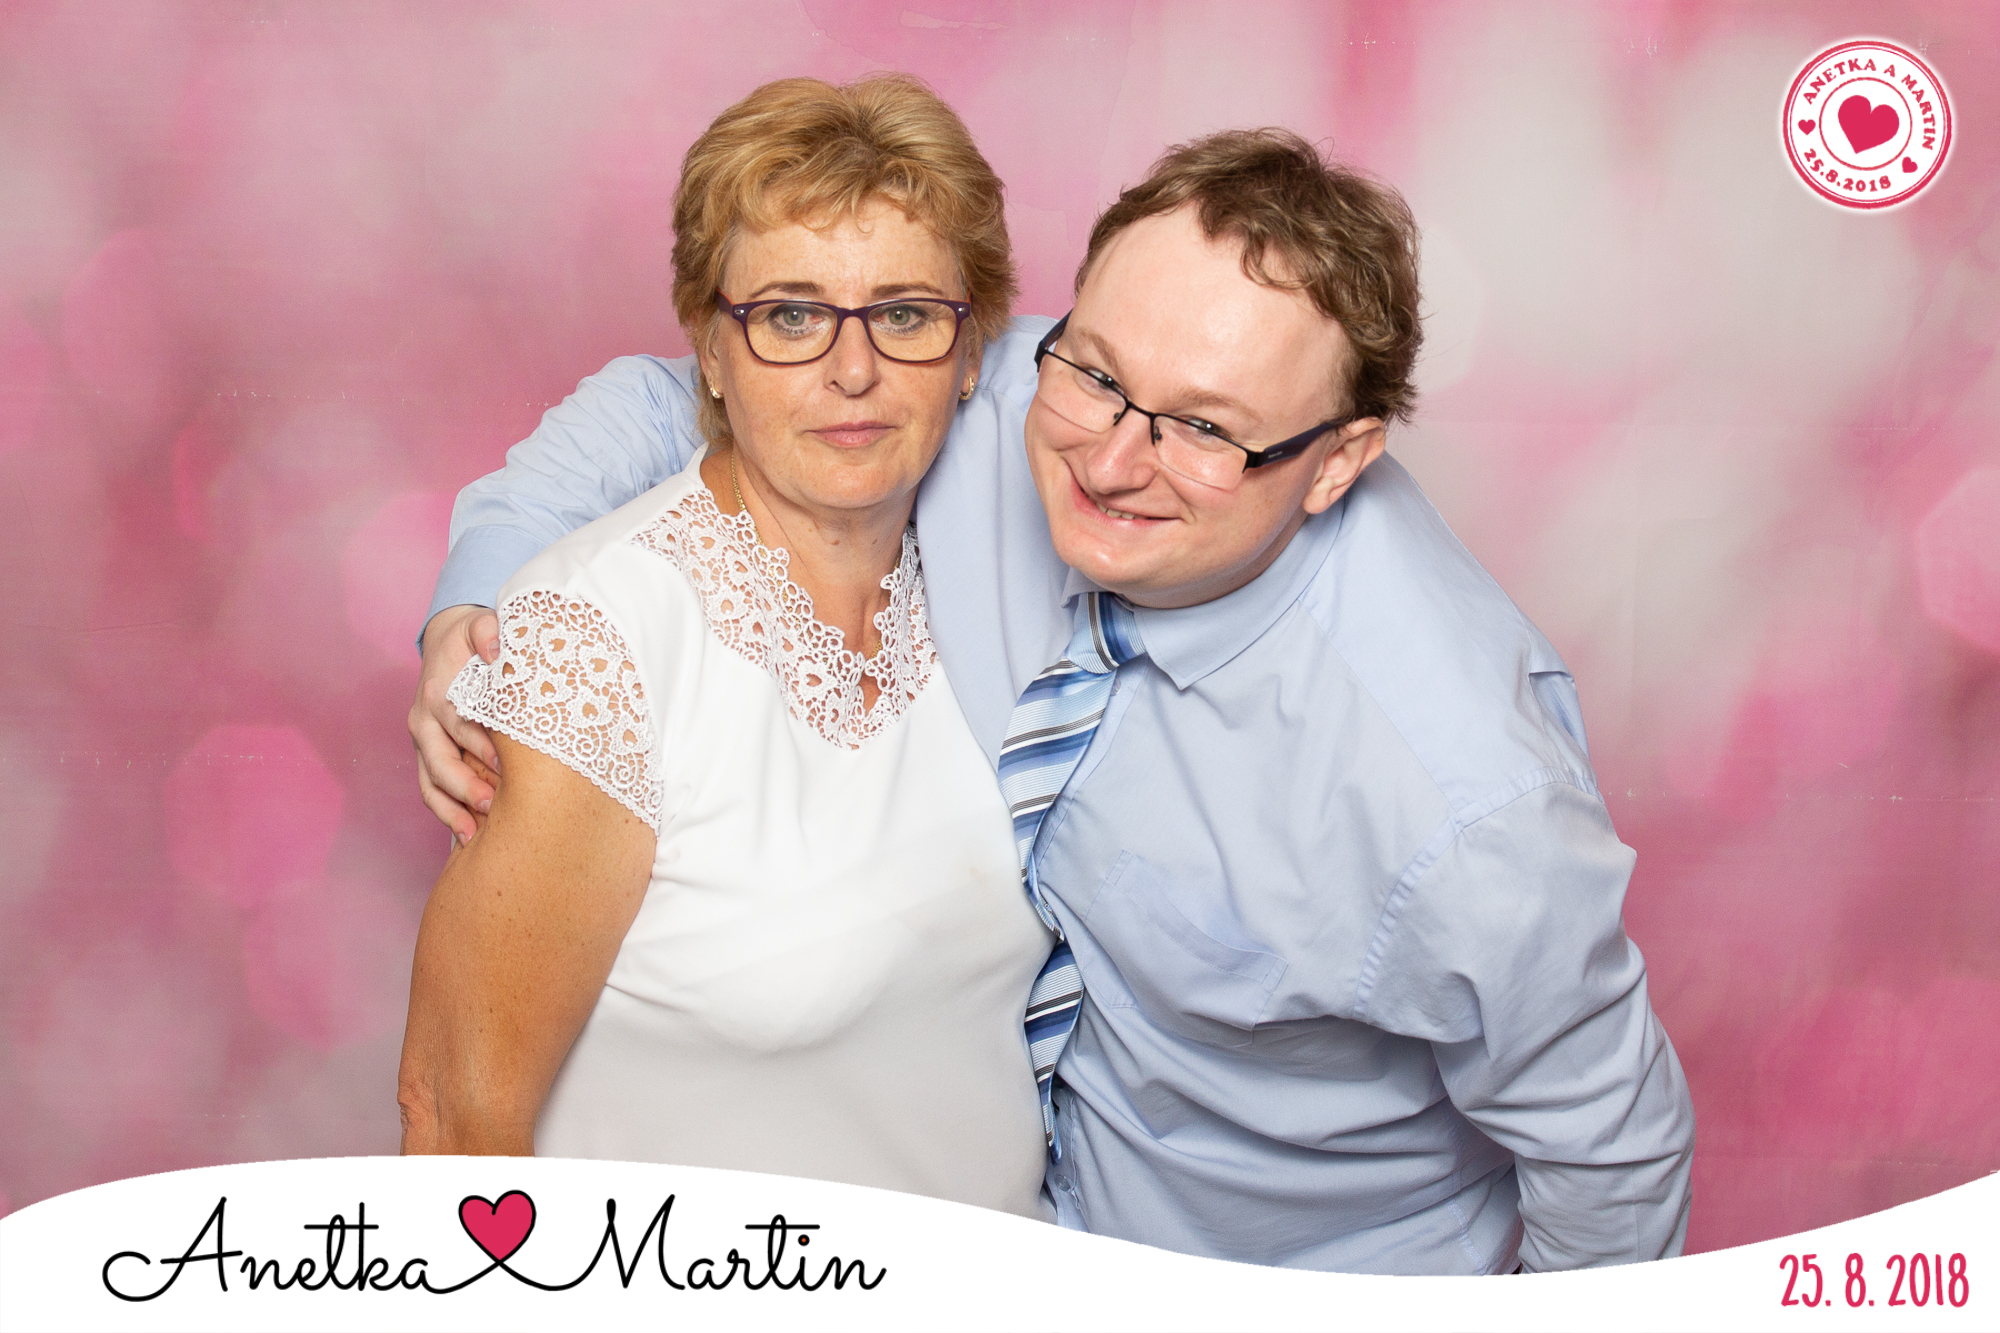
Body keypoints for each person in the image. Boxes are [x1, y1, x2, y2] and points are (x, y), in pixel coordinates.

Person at [411, 127, 1697, 1274]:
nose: (1112, 460)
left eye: (1206, 431)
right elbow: (689, 390)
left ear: (1334, 461)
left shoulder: (1461, 798)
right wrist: (475, 609)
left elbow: (1611, 1157)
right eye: (1090, 371)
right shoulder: (995, 399)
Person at [395, 74, 1056, 1221]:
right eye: (791, 316)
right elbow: (454, 1114)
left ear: (970, 351)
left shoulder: (1002, 581)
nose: (852, 371)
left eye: (904, 313)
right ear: (710, 346)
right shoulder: (599, 639)